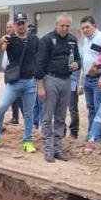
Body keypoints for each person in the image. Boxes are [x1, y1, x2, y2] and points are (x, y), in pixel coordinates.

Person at [0, 12, 39, 153]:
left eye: (23, 22)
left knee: (28, 114)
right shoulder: (9, 39)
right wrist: (1, 41)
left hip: (30, 82)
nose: (21, 25)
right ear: (14, 25)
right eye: (18, 23)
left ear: (27, 23)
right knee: (2, 108)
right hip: (14, 82)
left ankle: (28, 141)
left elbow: (38, 58)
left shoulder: (34, 39)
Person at [35, 14, 81, 163]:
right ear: (56, 25)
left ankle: (58, 149)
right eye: (62, 25)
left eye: (67, 26)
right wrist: (40, 87)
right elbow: (39, 64)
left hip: (66, 81)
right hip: (51, 80)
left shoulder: (72, 40)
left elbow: (77, 59)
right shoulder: (47, 40)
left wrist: (77, 64)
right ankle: (48, 150)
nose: (65, 28)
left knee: (61, 117)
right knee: (48, 117)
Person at [78, 15, 101, 143]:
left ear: (94, 26)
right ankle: (92, 133)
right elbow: (85, 62)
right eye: (83, 28)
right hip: (87, 79)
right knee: (90, 108)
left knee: (99, 109)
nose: (85, 30)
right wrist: (81, 84)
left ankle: (100, 137)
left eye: (87, 27)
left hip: (98, 79)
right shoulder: (85, 40)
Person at [1, 20, 22, 126]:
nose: (9, 29)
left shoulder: (17, 40)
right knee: (12, 96)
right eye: (7, 27)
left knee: (19, 97)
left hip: (16, 72)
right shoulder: (6, 40)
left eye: (10, 27)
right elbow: (0, 49)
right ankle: (15, 117)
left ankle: (25, 119)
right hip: (8, 72)